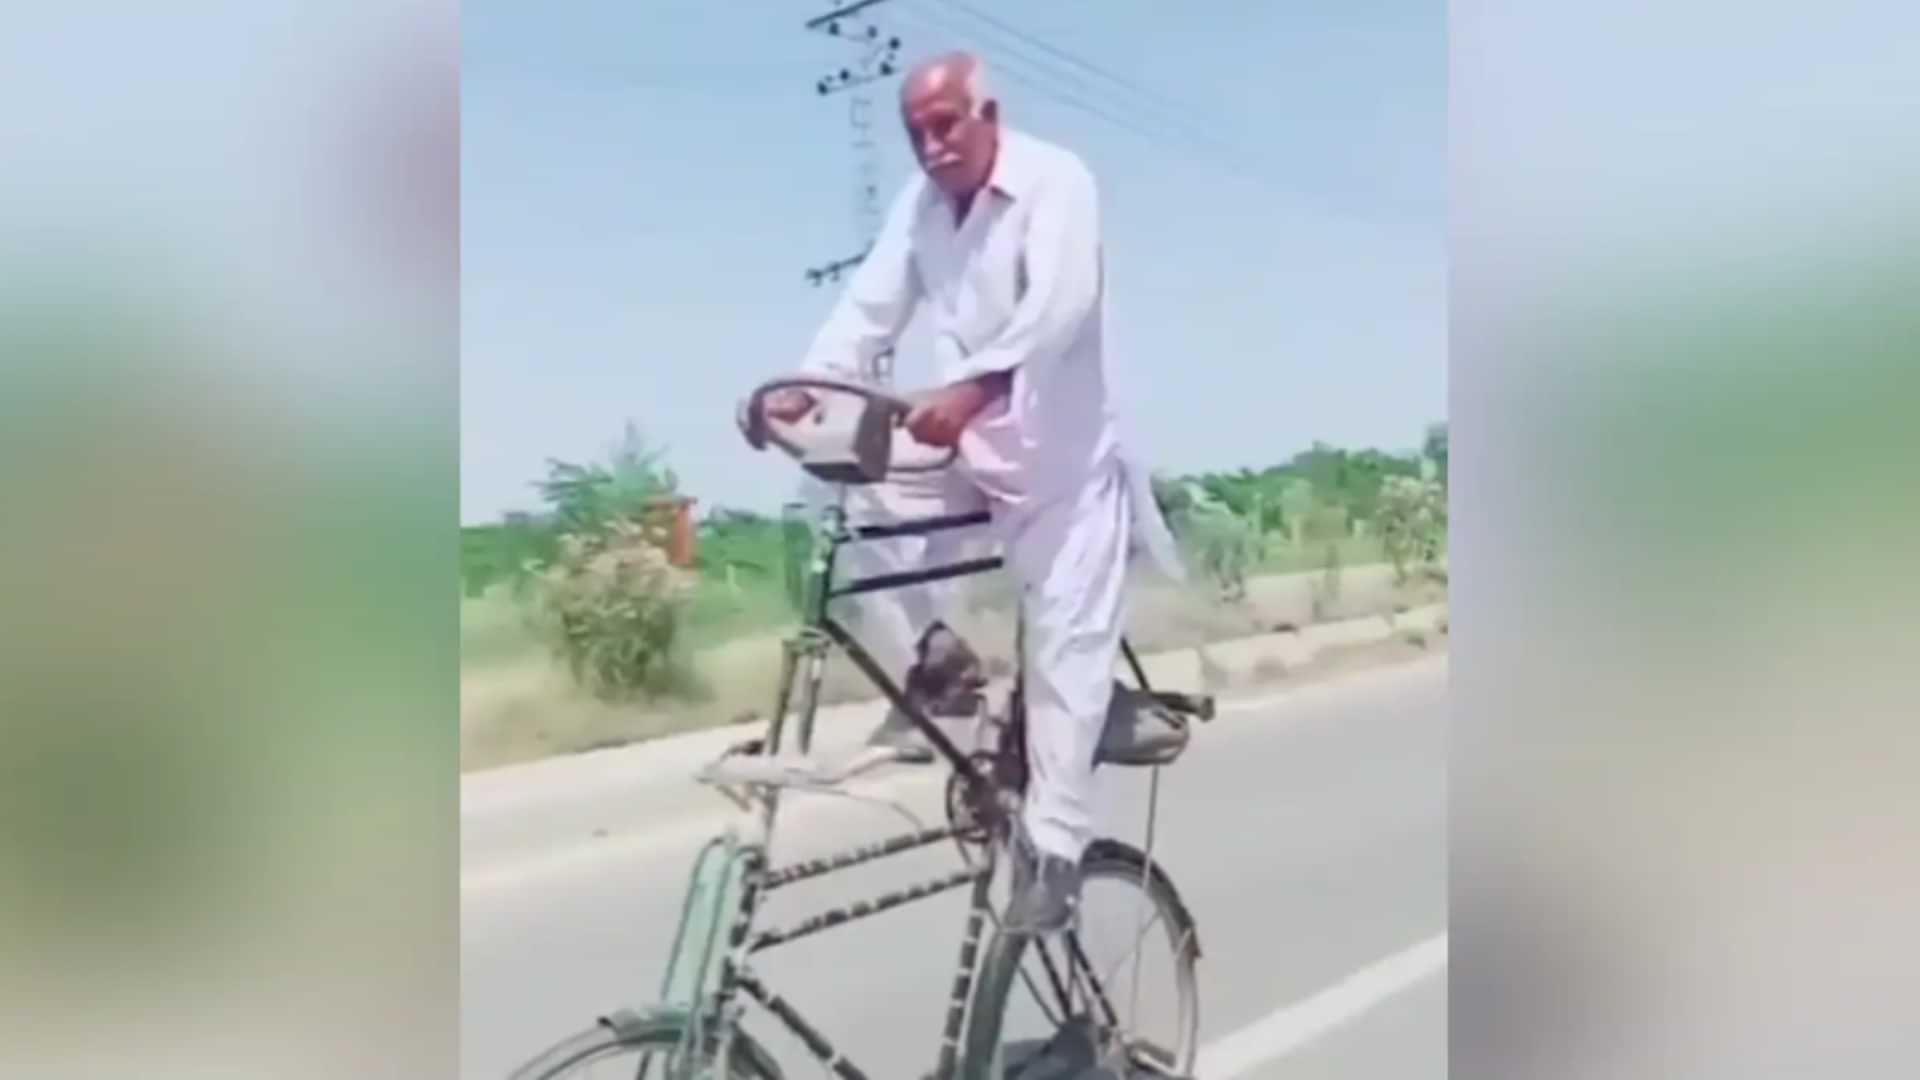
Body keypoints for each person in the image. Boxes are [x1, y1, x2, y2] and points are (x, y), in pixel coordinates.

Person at [740, 51, 1181, 935]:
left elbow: (1059, 308)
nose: (934, 146)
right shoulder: (920, 209)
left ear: (988, 113)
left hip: (1062, 461)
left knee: (1065, 657)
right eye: (918, 133)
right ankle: (938, 665)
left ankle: (1055, 858)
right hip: (969, 446)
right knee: (856, 486)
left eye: (947, 125)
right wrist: (807, 388)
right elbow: (865, 313)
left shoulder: (1058, 182)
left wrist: (975, 389)